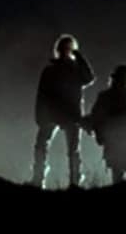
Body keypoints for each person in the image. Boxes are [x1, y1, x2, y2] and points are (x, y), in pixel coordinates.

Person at [30, 34, 96, 189]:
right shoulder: (54, 70)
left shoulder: (72, 70)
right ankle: (41, 180)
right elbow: (42, 94)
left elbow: (89, 78)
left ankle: (71, 182)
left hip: (67, 115)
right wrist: (40, 115)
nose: (66, 51)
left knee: (66, 149)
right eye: (65, 48)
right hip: (59, 114)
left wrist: (78, 56)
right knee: (48, 147)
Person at [84, 65, 126, 184]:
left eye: (125, 78)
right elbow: (96, 118)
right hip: (120, 142)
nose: (123, 81)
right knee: (121, 172)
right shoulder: (108, 97)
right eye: (122, 78)